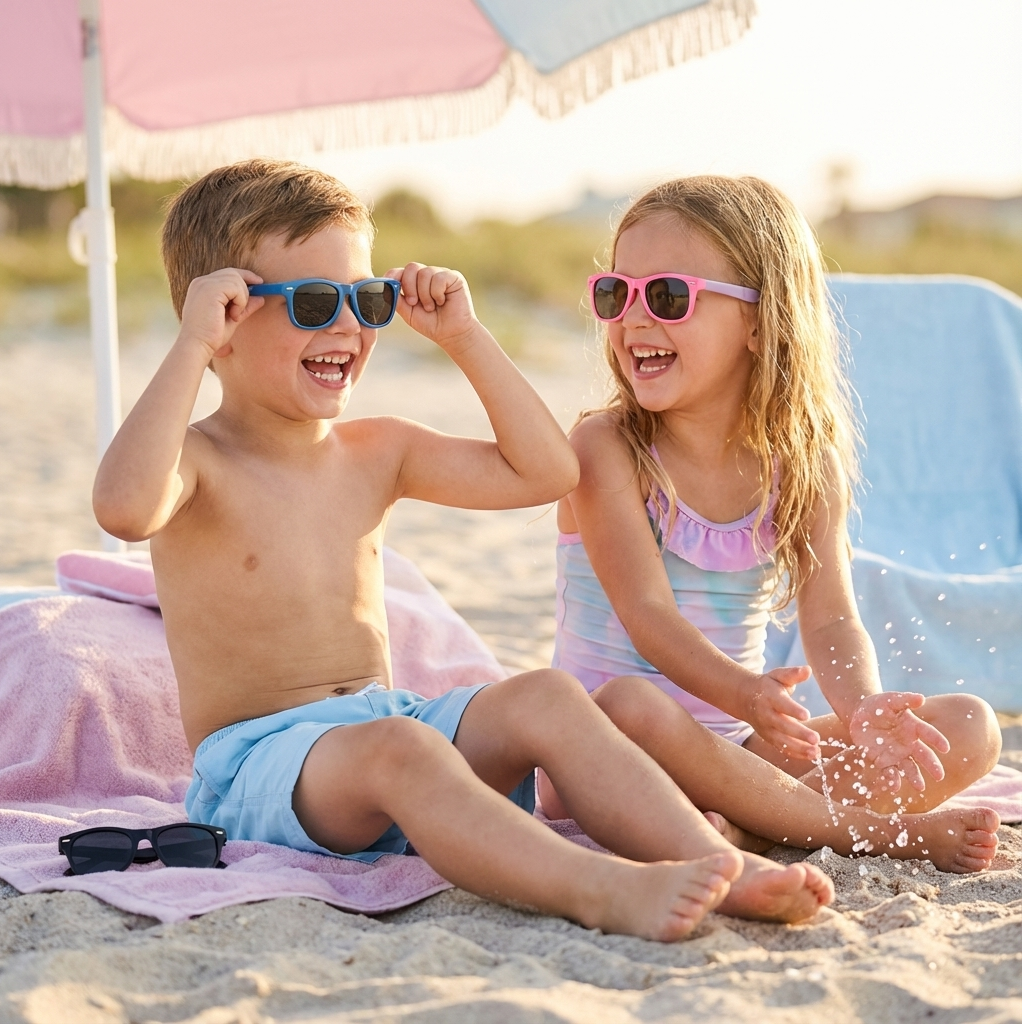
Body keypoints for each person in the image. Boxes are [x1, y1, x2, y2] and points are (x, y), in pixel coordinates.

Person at [92, 159, 837, 941]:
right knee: (400, 748)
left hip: (389, 726)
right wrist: (188, 345)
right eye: (314, 303)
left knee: (548, 696)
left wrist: (464, 336)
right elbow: (124, 507)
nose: (347, 326)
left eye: (366, 299)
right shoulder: (196, 462)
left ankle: (718, 863)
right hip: (264, 764)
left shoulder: (377, 451)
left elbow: (547, 471)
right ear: (225, 317)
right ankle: (599, 888)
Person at [544, 175, 1002, 871]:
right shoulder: (606, 449)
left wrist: (864, 710)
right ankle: (849, 832)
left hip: (736, 752)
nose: (634, 319)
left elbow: (829, 622)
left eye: (667, 297)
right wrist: (746, 695)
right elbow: (646, 615)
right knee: (631, 702)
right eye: (615, 293)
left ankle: (754, 829)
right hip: (605, 755)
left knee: (970, 726)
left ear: (760, 322)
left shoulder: (802, 464)